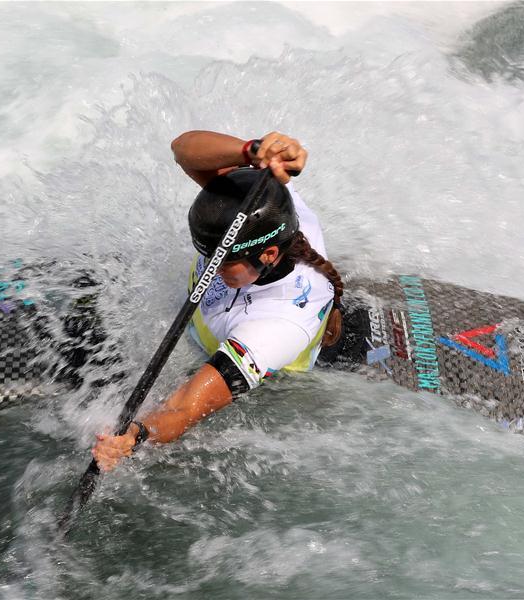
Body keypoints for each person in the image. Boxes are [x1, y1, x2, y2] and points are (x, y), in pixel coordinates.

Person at [92, 130, 344, 471]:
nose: (211, 267)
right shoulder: (265, 204)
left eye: (222, 262)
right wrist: (250, 151)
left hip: (273, 375)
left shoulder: (278, 328)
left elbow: (183, 408)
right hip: (219, 323)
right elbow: (182, 150)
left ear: (268, 255)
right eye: (206, 254)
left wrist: (134, 436)